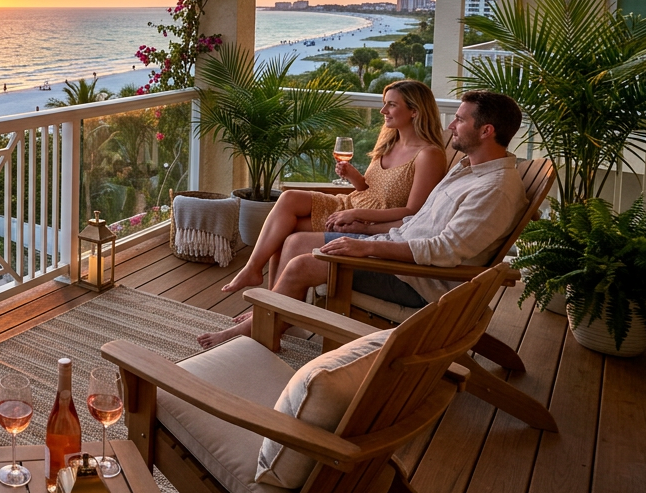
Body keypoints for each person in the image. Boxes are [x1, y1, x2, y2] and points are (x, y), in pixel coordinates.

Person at [198, 90, 528, 349]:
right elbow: (418, 222)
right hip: (391, 248)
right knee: (296, 241)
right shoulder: (467, 168)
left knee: (301, 265)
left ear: (486, 130)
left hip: (415, 279)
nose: (451, 126)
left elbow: (444, 250)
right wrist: (368, 232)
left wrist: (366, 248)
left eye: (459, 120)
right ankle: (271, 321)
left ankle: (262, 325)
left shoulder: (494, 190)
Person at [218, 80, 447, 295]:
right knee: (289, 199)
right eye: (384, 103)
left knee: (290, 230)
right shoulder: (390, 141)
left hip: (372, 221)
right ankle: (258, 278)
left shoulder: (428, 155)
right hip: (350, 205)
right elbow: (368, 187)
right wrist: (353, 176)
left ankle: (270, 302)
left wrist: (356, 214)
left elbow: (413, 213)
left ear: (414, 111)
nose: (383, 110)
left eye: (391, 105)